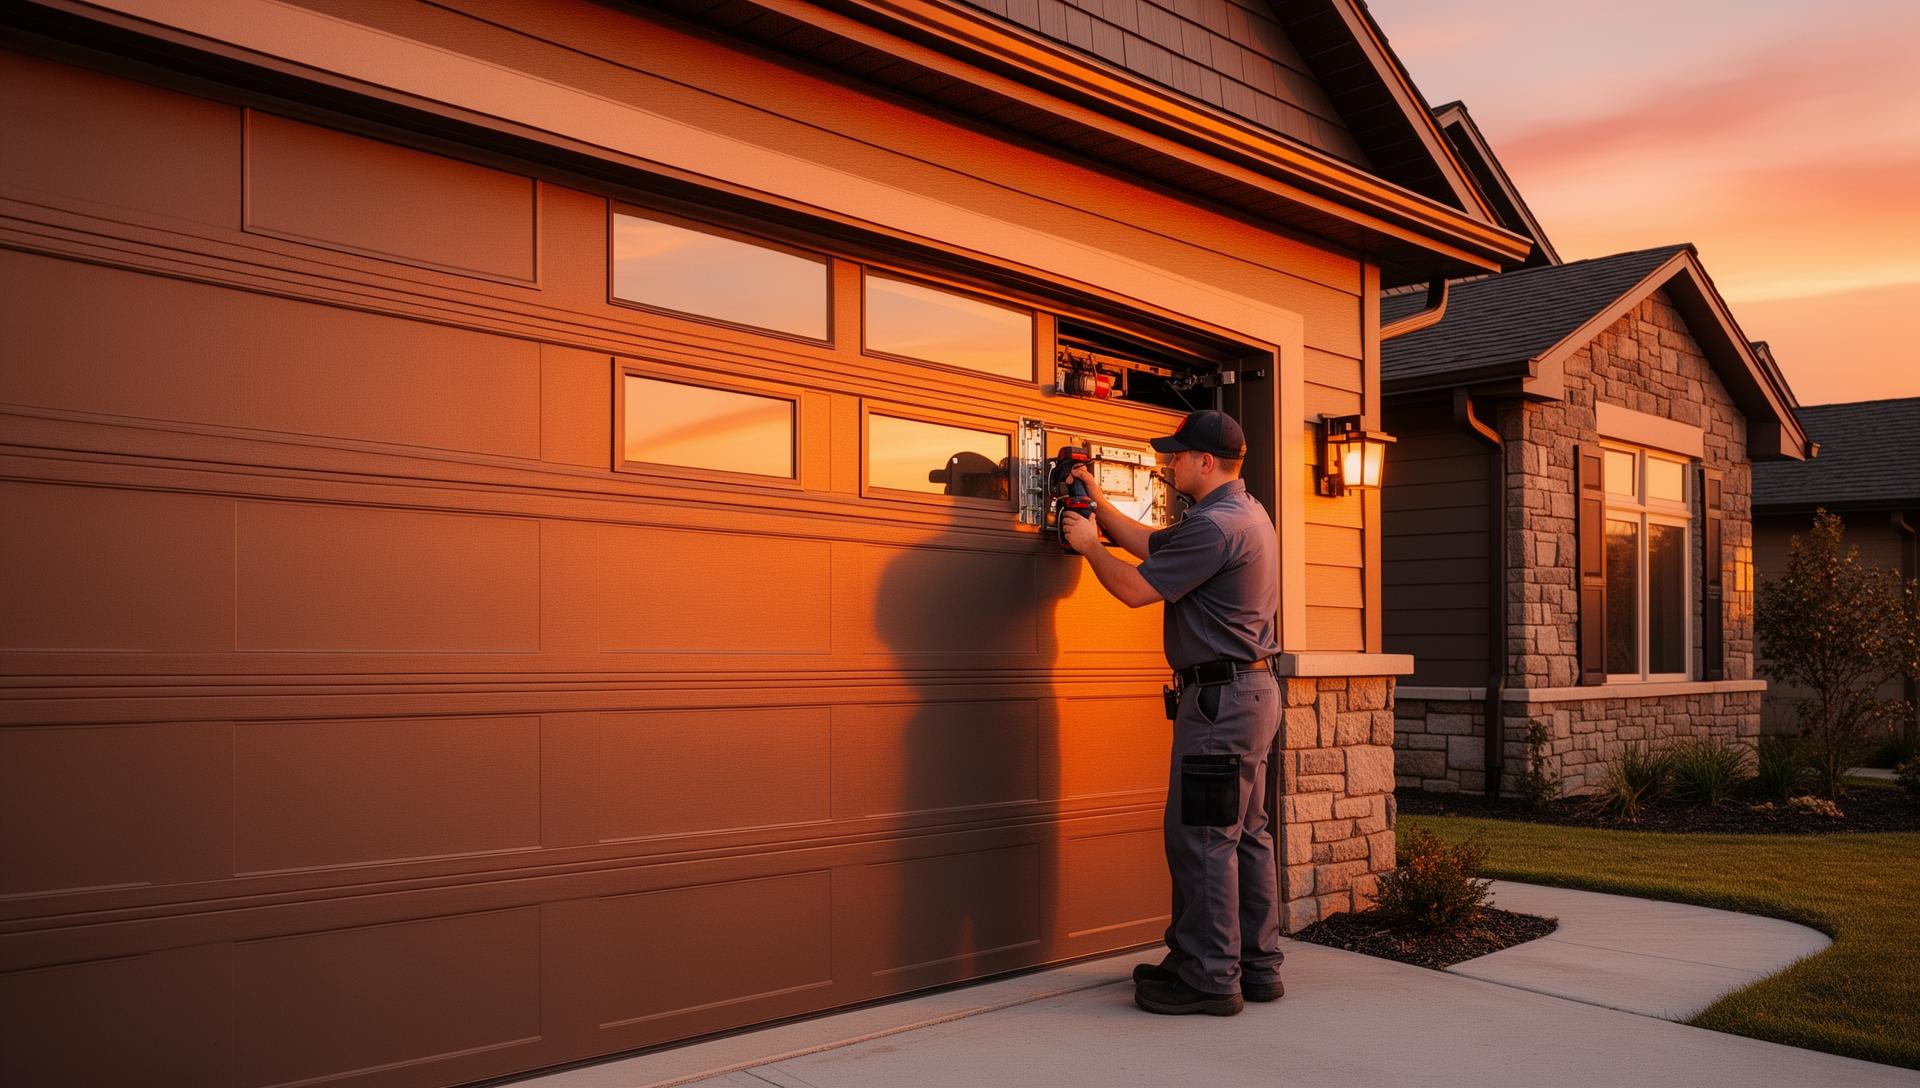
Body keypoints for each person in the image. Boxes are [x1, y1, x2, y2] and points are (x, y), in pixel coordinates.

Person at [1059, 409, 1283, 1017]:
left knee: (1204, 839)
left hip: (1219, 704)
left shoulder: (1215, 527)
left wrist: (1086, 548)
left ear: (1206, 463)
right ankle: (1251, 965)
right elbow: (1155, 546)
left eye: (1177, 455)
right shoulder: (1241, 513)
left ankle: (1210, 978)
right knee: (1246, 836)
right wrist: (1101, 507)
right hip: (1249, 695)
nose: (1169, 462)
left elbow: (1135, 588)